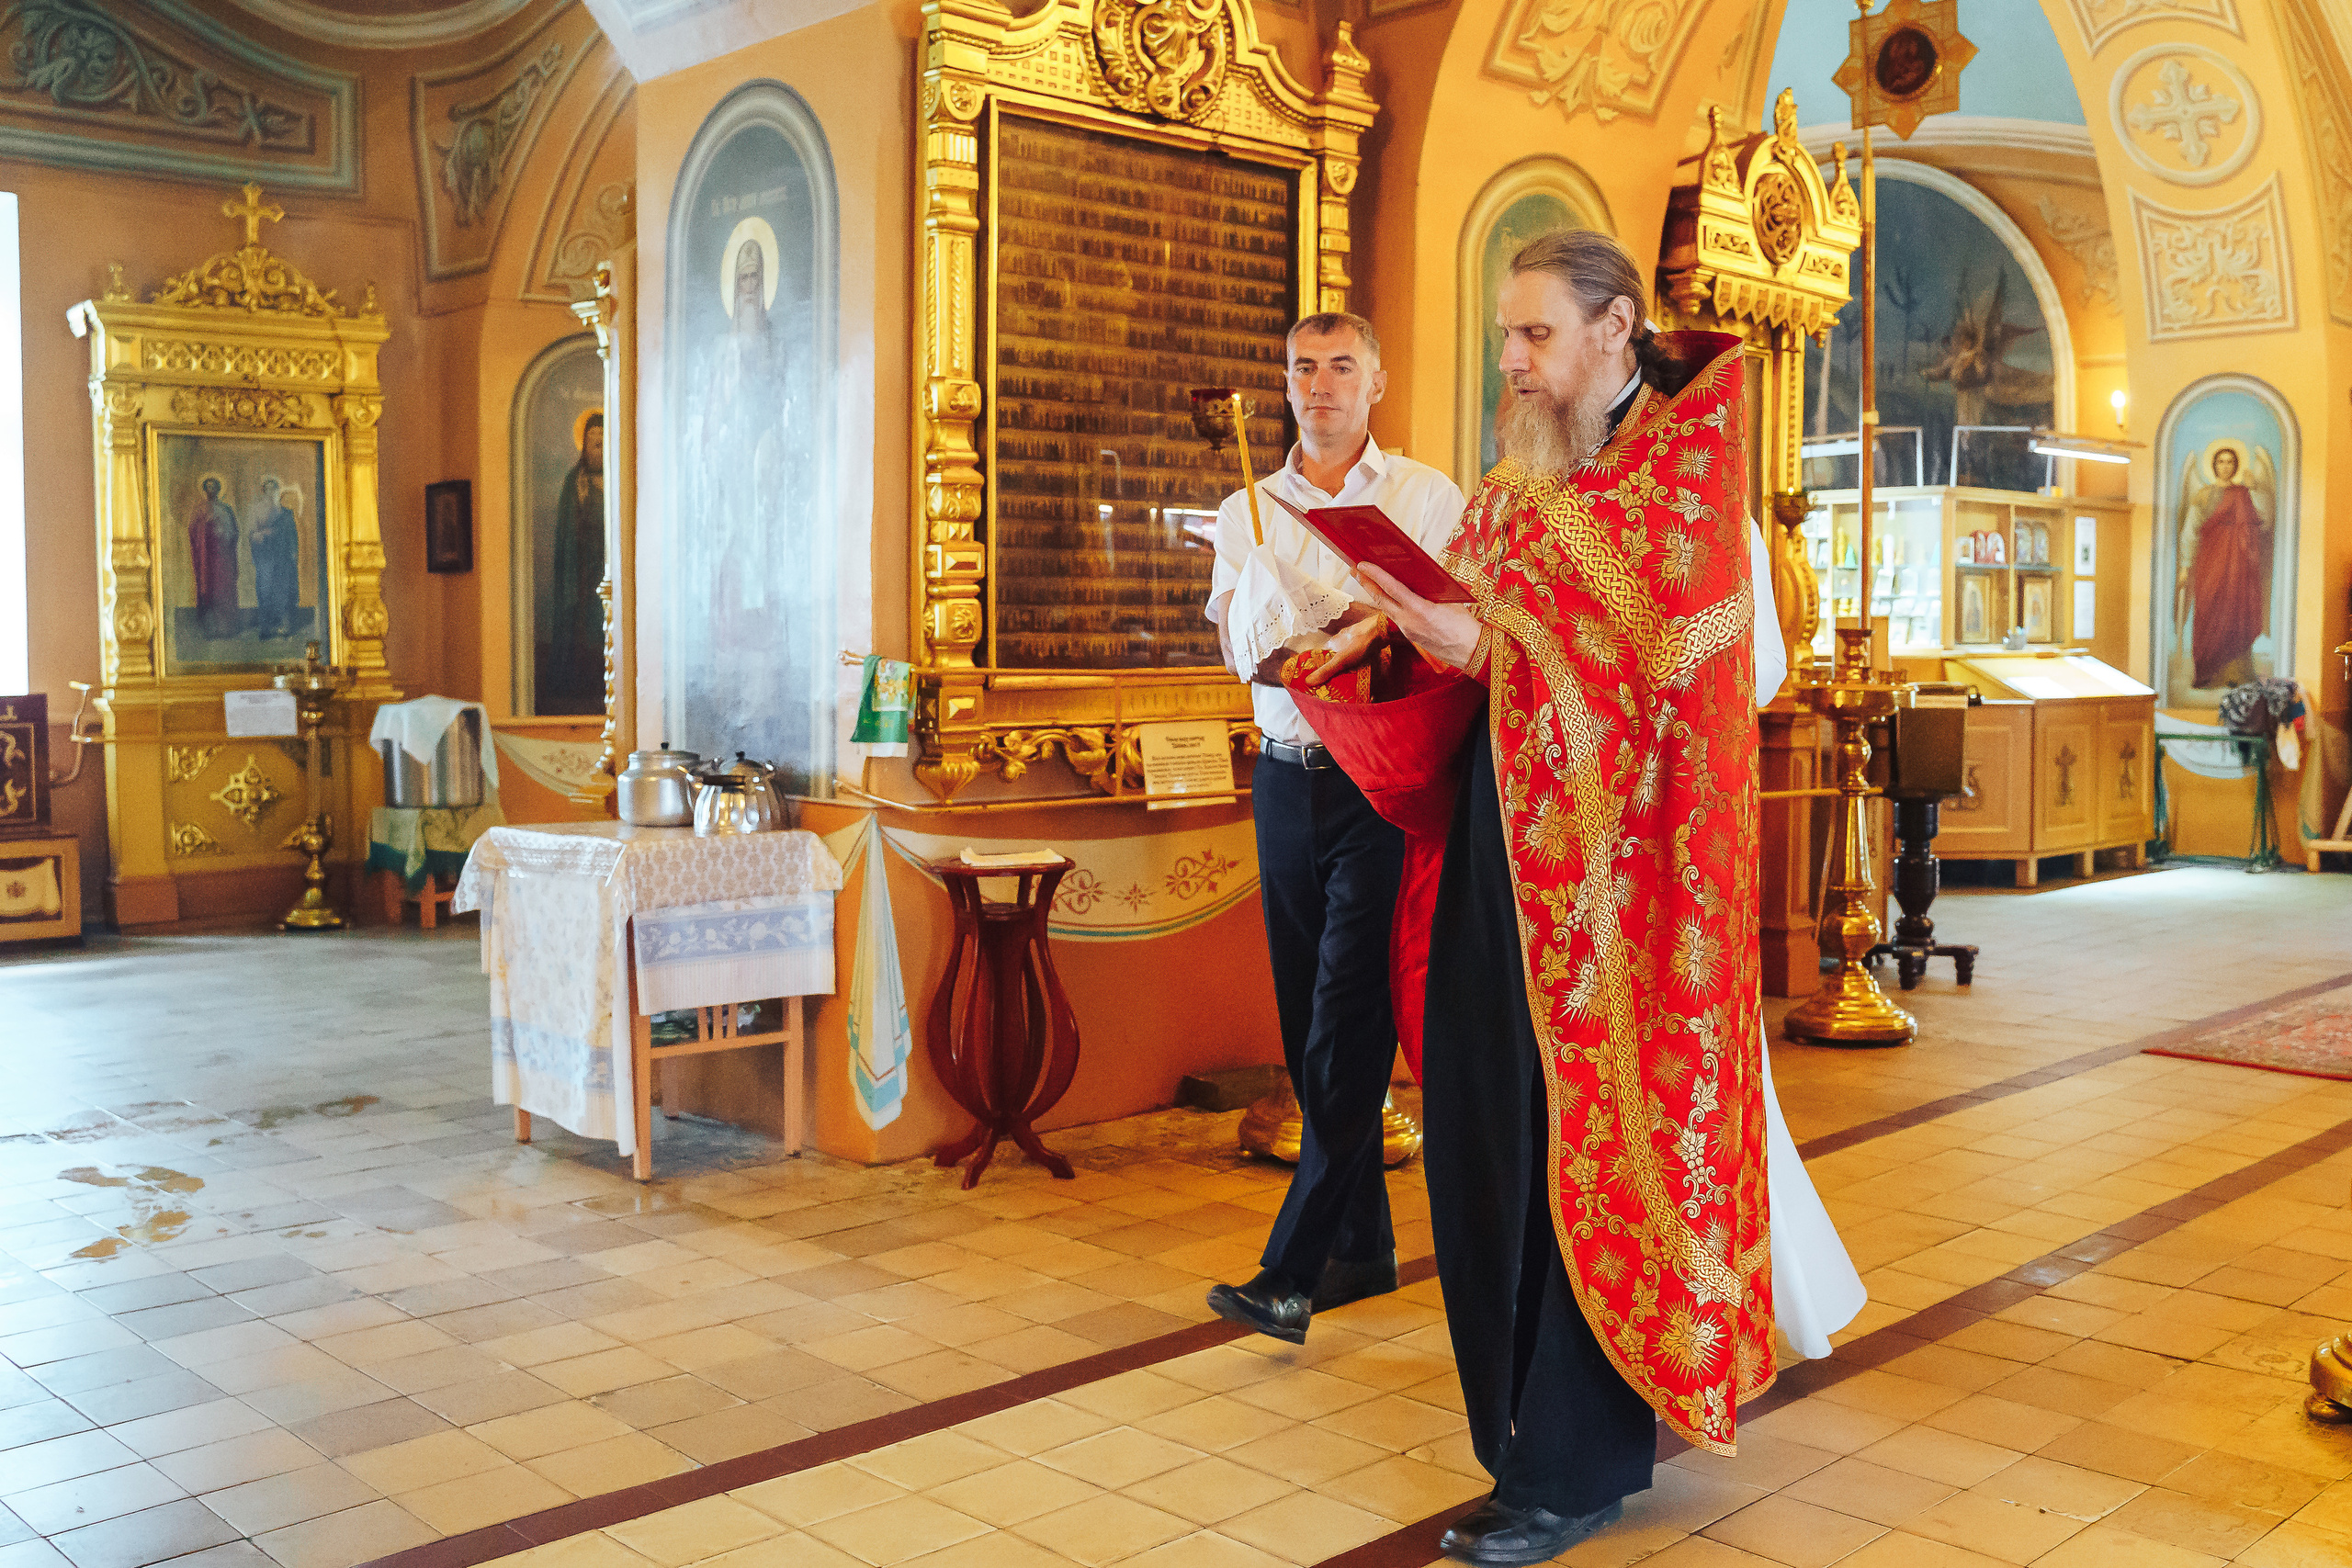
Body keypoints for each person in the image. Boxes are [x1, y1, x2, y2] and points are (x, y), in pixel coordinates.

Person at [1355, 231, 1784, 1564]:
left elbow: (1666, 678)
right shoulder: (1508, 490)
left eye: (1535, 335)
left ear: (1616, 328)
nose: (1511, 363)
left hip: (1623, 899)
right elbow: (1491, 645)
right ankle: (1513, 1431)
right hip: (1499, 861)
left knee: (1574, 1151)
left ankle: (1571, 1462)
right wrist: (1383, 639)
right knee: (1482, 1131)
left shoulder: (1684, 488)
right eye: (1504, 336)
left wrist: (1486, 640)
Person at [1202, 311, 1464, 1343]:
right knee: (1303, 1018)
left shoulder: (1424, 497)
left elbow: (1443, 621)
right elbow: (1235, 636)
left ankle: (1295, 1268)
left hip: (1379, 779)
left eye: (1340, 366)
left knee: (1345, 1013)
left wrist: (1364, 626)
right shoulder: (1246, 507)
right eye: (1303, 368)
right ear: (1285, 384)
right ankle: (1362, 1247)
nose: (1320, 385)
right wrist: (1274, 638)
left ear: (1377, 381)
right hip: (1284, 774)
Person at [548, 412, 607, 712]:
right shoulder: (576, 482)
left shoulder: (619, 478)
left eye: (603, 443)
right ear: (584, 446)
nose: (598, 450)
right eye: (593, 444)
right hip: (585, 573)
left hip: (613, 568)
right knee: (586, 631)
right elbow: (568, 533)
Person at [187, 476, 241, 639]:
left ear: (218, 490)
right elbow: (192, 531)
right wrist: (206, 526)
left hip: (222, 557)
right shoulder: (199, 510)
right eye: (208, 487)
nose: (211, 490)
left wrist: (222, 532)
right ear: (204, 490)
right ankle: (209, 628)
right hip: (206, 558)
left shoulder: (226, 509)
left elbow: (234, 532)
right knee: (207, 589)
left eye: (213, 487)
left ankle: (227, 627)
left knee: (224, 588)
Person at [249, 477, 300, 639]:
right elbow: (251, 534)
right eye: (269, 488)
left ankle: (284, 626)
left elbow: (292, 535)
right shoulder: (256, 510)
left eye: (275, 488)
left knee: (283, 590)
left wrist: (293, 553)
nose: (272, 492)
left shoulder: (285, 512)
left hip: (283, 558)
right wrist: (264, 534)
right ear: (264, 491)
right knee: (265, 591)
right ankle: (266, 629)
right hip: (265, 557)